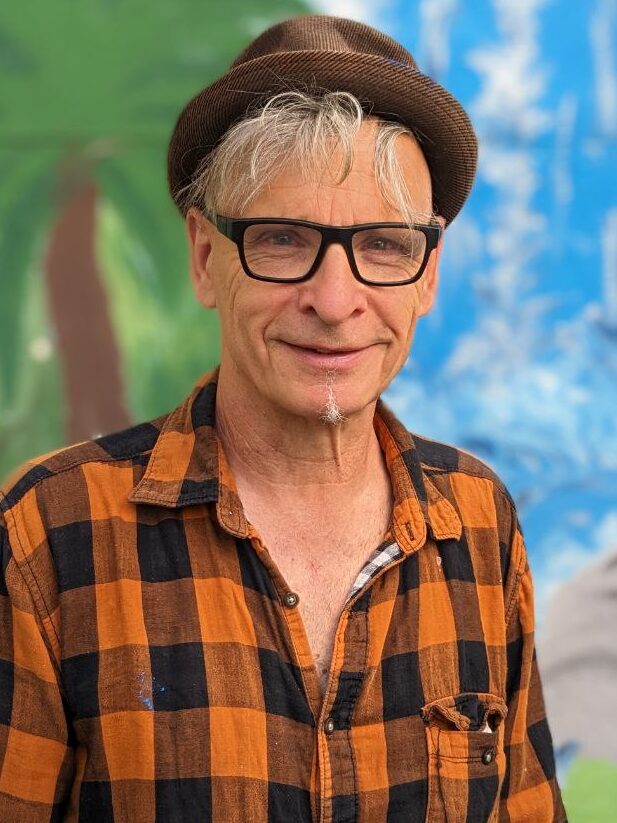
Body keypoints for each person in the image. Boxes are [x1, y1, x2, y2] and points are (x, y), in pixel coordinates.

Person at [0, 14, 566, 823]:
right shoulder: (50, 533)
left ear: (427, 273)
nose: (334, 301)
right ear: (205, 258)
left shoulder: (478, 522)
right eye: (282, 239)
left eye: (382, 245)